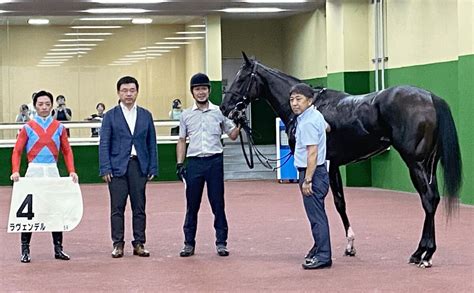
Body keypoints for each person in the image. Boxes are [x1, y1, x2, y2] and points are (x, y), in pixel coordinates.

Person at [176, 73, 240, 257]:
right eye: (197, 89)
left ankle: (221, 242)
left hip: (214, 161)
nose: (201, 92)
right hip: (194, 163)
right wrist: (180, 163)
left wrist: (240, 124)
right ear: (192, 92)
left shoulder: (219, 112)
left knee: (218, 203)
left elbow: (233, 135)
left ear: (209, 90)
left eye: (204, 88)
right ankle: (189, 243)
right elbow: (181, 140)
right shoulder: (186, 115)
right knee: (192, 205)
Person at [10, 90, 79, 263]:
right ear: (35, 106)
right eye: (40, 104)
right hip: (33, 170)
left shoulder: (60, 127)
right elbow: (17, 151)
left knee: (56, 209)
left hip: (52, 170)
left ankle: (58, 249)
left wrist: (71, 170)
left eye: (47, 104)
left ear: (52, 105)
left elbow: (67, 150)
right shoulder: (27, 127)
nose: (44, 107)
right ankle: (25, 250)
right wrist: (16, 170)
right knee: (28, 213)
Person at [99, 76, 158, 259]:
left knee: (139, 207)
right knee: (117, 208)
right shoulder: (110, 116)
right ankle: (118, 244)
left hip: (139, 167)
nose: (128, 94)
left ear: (137, 92)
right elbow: (104, 143)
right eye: (124, 90)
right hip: (116, 169)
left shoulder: (146, 115)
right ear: (118, 92)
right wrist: (105, 168)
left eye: (132, 90)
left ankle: (139, 243)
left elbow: (151, 143)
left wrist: (152, 167)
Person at [289, 83, 332, 270]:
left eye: (299, 99)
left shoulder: (307, 122)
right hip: (319, 172)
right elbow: (328, 127)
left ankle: (323, 255)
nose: (294, 103)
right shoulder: (315, 115)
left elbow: (312, 153)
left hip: (312, 173)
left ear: (309, 100)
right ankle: (319, 248)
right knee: (317, 214)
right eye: (292, 99)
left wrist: (307, 180)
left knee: (316, 217)